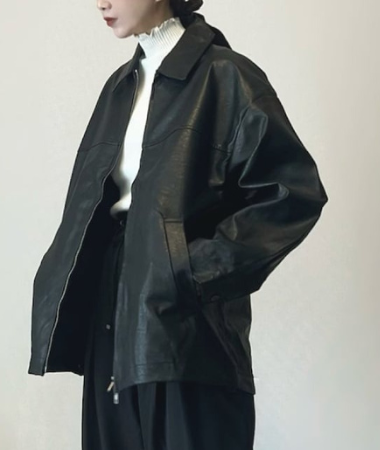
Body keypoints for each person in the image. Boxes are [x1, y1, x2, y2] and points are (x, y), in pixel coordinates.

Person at [27, 1, 329, 449]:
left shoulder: (227, 77)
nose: (101, 2)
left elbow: (292, 194)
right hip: (110, 327)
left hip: (188, 338)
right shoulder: (119, 88)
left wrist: (188, 272)